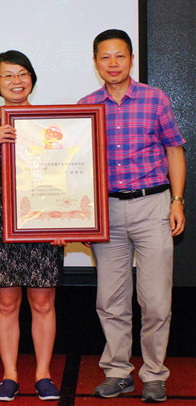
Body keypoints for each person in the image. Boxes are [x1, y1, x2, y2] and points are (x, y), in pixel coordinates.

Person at [79, 29, 185, 403]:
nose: (113, 63)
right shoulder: (86, 105)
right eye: (105, 57)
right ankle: (118, 373)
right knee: (111, 301)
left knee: (155, 300)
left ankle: (154, 375)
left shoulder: (155, 99)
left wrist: (177, 201)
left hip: (152, 205)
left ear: (131, 59)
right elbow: (78, 166)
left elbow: (174, 150)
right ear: (95, 62)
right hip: (106, 210)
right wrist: (82, 215)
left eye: (120, 56)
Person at [0, 50, 64, 402]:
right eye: (7, 75)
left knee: (43, 302)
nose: (16, 81)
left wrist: (67, 221)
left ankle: (43, 375)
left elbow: (66, 174)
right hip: (0, 219)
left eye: (22, 73)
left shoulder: (49, 120)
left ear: (32, 79)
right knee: (6, 303)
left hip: (44, 219)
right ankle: (9, 375)